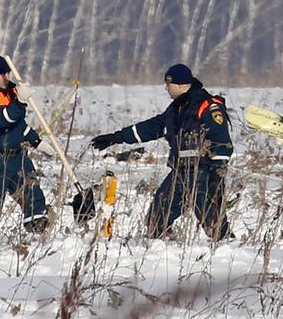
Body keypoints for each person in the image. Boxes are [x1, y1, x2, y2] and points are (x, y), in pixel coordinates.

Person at [91, 63, 234, 241]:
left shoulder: (207, 106)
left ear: (182, 85)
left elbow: (222, 141)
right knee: (157, 215)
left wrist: (216, 174)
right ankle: (160, 246)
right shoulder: (176, 109)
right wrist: (118, 137)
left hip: (203, 172)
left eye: (169, 84)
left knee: (211, 218)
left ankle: (229, 248)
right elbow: (152, 127)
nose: (166, 88)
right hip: (180, 172)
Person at [0, 54, 49, 233]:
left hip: (17, 157)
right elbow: (2, 120)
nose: (7, 77)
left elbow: (18, 126)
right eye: (2, 74)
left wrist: (36, 142)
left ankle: (38, 232)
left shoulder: (12, 91)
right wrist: (20, 102)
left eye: (8, 72)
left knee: (32, 194)